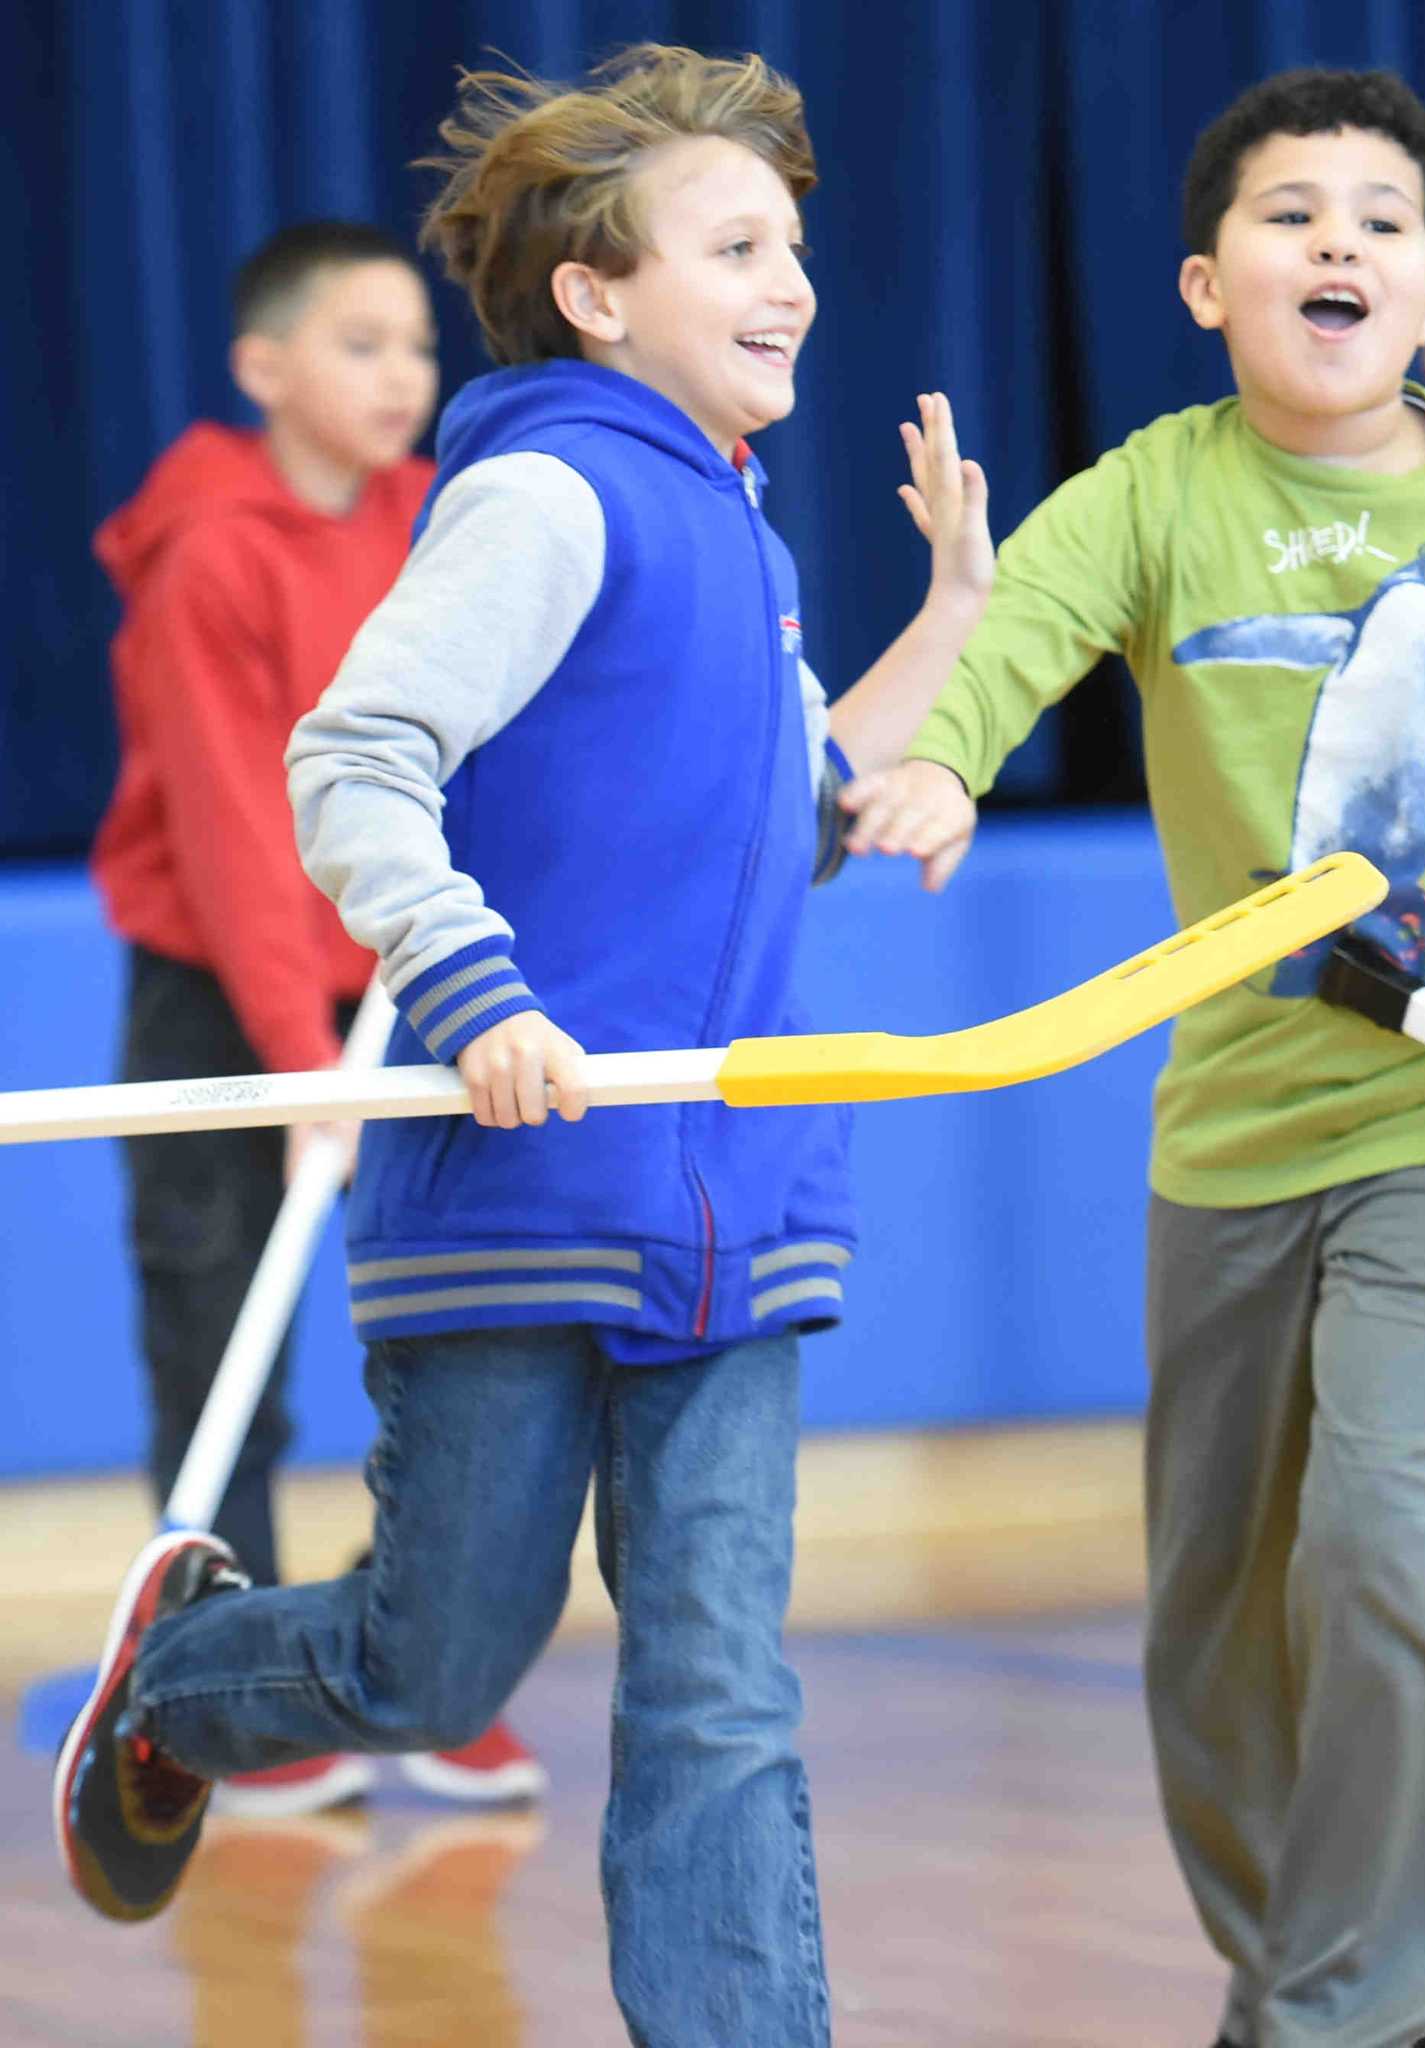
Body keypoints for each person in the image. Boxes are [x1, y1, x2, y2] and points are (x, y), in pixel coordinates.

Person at [55, 42, 994, 2046]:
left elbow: (784, 806)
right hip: (526, 1186)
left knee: (718, 1685)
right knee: (435, 1659)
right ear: (596, 291)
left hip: (734, 1206)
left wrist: (949, 637)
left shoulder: (748, 539)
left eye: (796, 242)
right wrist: (476, 988)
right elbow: (359, 754)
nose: (795, 279)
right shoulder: (555, 491)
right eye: (737, 241)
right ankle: (181, 1686)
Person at [840, 66, 1425, 2048]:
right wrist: (939, 757)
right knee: (1214, 1633)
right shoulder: (1162, 489)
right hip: (1239, 1135)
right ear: (1203, 284)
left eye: (1382, 219)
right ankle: (1331, 1945)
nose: (1339, 240)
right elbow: (1024, 628)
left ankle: (1343, 2004)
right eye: (1291, 215)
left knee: (1380, 1533)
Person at [89, 219, 543, 1815]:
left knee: (464, 1336)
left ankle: (412, 1664)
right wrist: (297, 1068)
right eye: (359, 345)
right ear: (263, 369)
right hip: (225, 992)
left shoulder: (445, 525)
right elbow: (228, 822)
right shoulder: (209, 548)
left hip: (406, 983)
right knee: (224, 1343)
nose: (404, 376)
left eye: (418, 346)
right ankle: (216, 1699)